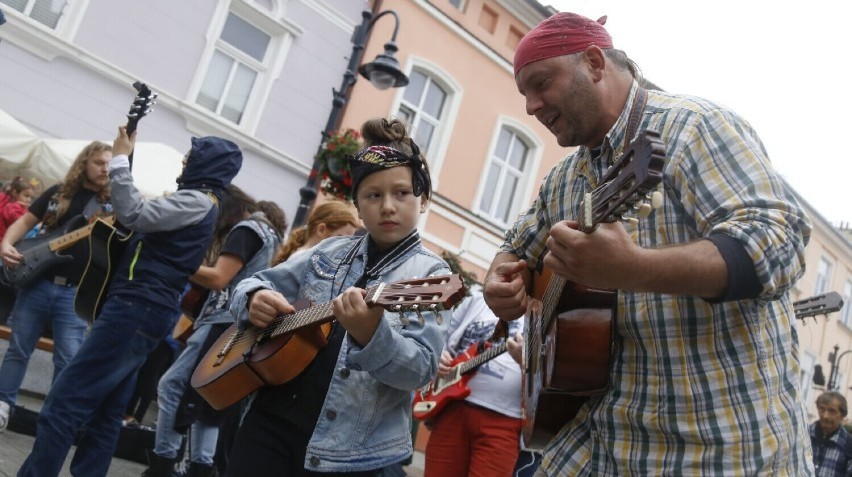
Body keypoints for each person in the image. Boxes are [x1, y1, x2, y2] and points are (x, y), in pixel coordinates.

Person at [483, 12, 813, 476]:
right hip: (597, 432)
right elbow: (517, 243)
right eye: (524, 95)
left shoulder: (694, 128)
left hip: (717, 447)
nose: (531, 106)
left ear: (595, 63)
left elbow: (780, 244)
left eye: (540, 84)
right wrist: (498, 278)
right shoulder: (563, 179)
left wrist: (634, 268)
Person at [225, 117, 451, 476]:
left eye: (402, 193)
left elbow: (420, 369)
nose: (388, 206)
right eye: (374, 195)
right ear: (358, 207)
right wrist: (254, 298)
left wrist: (373, 335)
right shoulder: (328, 251)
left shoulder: (430, 277)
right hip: (269, 422)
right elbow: (251, 283)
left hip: (348, 454)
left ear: (423, 200)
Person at [16, 126, 242, 477]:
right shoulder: (202, 201)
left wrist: (121, 159)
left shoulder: (195, 201)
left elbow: (133, 213)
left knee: (64, 401)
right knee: (107, 411)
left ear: (205, 164)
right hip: (147, 309)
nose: (184, 160)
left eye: (191, 156)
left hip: (137, 307)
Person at [143, 184, 282, 477]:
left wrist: (174, 258)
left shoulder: (246, 229)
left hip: (221, 319)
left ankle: (162, 464)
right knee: (209, 399)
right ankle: (198, 467)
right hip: (237, 323)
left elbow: (219, 278)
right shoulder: (268, 231)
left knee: (172, 386)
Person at [0, 141, 112, 433]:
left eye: (109, 163)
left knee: (68, 359)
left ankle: (55, 419)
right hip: (38, 282)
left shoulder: (112, 204)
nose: (105, 168)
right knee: (18, 349)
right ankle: (2, 407)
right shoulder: (58, 193)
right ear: (85, 163)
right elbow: (25, 222)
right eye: (99, 162)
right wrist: (6, 244)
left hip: (76, 292)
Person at [423, 287, 524, 477]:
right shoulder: (477, 299)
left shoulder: (543, 314)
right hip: (451, 408)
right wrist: (438, 355)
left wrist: (528, 363)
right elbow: (439, 337)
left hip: (504, 421)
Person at [271, 199, 359, 265]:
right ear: (321, 230)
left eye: (348, 241)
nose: (345, 246)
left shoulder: (312, 258)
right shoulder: (302, 259)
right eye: (340, 238)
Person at [810, 391, 852, 477]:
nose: (825, 416)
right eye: (822, 409)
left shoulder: (848, 445)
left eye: (832, 411)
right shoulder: (803, 436)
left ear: (842, 415)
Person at [0, 177, 34, 241]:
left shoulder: (7, 200)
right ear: (15, 193)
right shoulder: (13, 208)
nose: (29, 200)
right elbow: (21, 223)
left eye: (31, 197)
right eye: (26, 196)